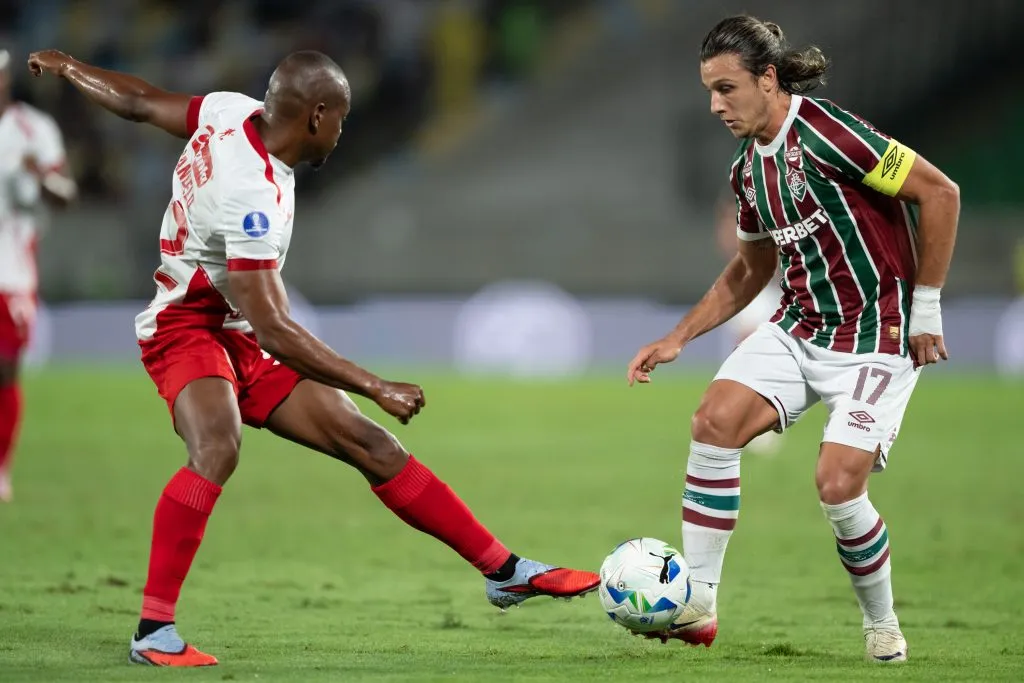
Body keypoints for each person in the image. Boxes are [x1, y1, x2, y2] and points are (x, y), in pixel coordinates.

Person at [27, 48, 599, 668]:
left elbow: (139, 101)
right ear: (318, 116)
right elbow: (275, 327)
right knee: (217, 447)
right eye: (343, 120)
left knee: (373, 446)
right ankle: (153, 631)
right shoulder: (252, 196)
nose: (342, 133)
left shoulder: (230, 112)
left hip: (236, 327)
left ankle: (504, 571)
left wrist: (70, 69)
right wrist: (375, 382)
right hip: (186, 328)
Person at [626, 16, 958, 662]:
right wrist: (679, 337)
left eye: (727, 88)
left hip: (876, 334)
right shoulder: (749, 171)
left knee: (837, 483)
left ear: (768, 79)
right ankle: (699, 602)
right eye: (709, 92)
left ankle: (882, 623)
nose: (716, 105)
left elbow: (939, 193)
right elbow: (751, 269)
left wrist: (927, 306)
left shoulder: (831, 134)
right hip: (803, 327)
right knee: (712, 419)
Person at [0, 48, 77, 502]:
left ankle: (1, 467)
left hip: (10, 272)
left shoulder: (33, 130)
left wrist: (41, 178)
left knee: (5, 372)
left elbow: (66, 193)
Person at [714, 193, 784, 456]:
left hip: (762, 293)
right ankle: (756, 419)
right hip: (754, 290)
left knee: (749, 352)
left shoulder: (757, 226)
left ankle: (758, 421)